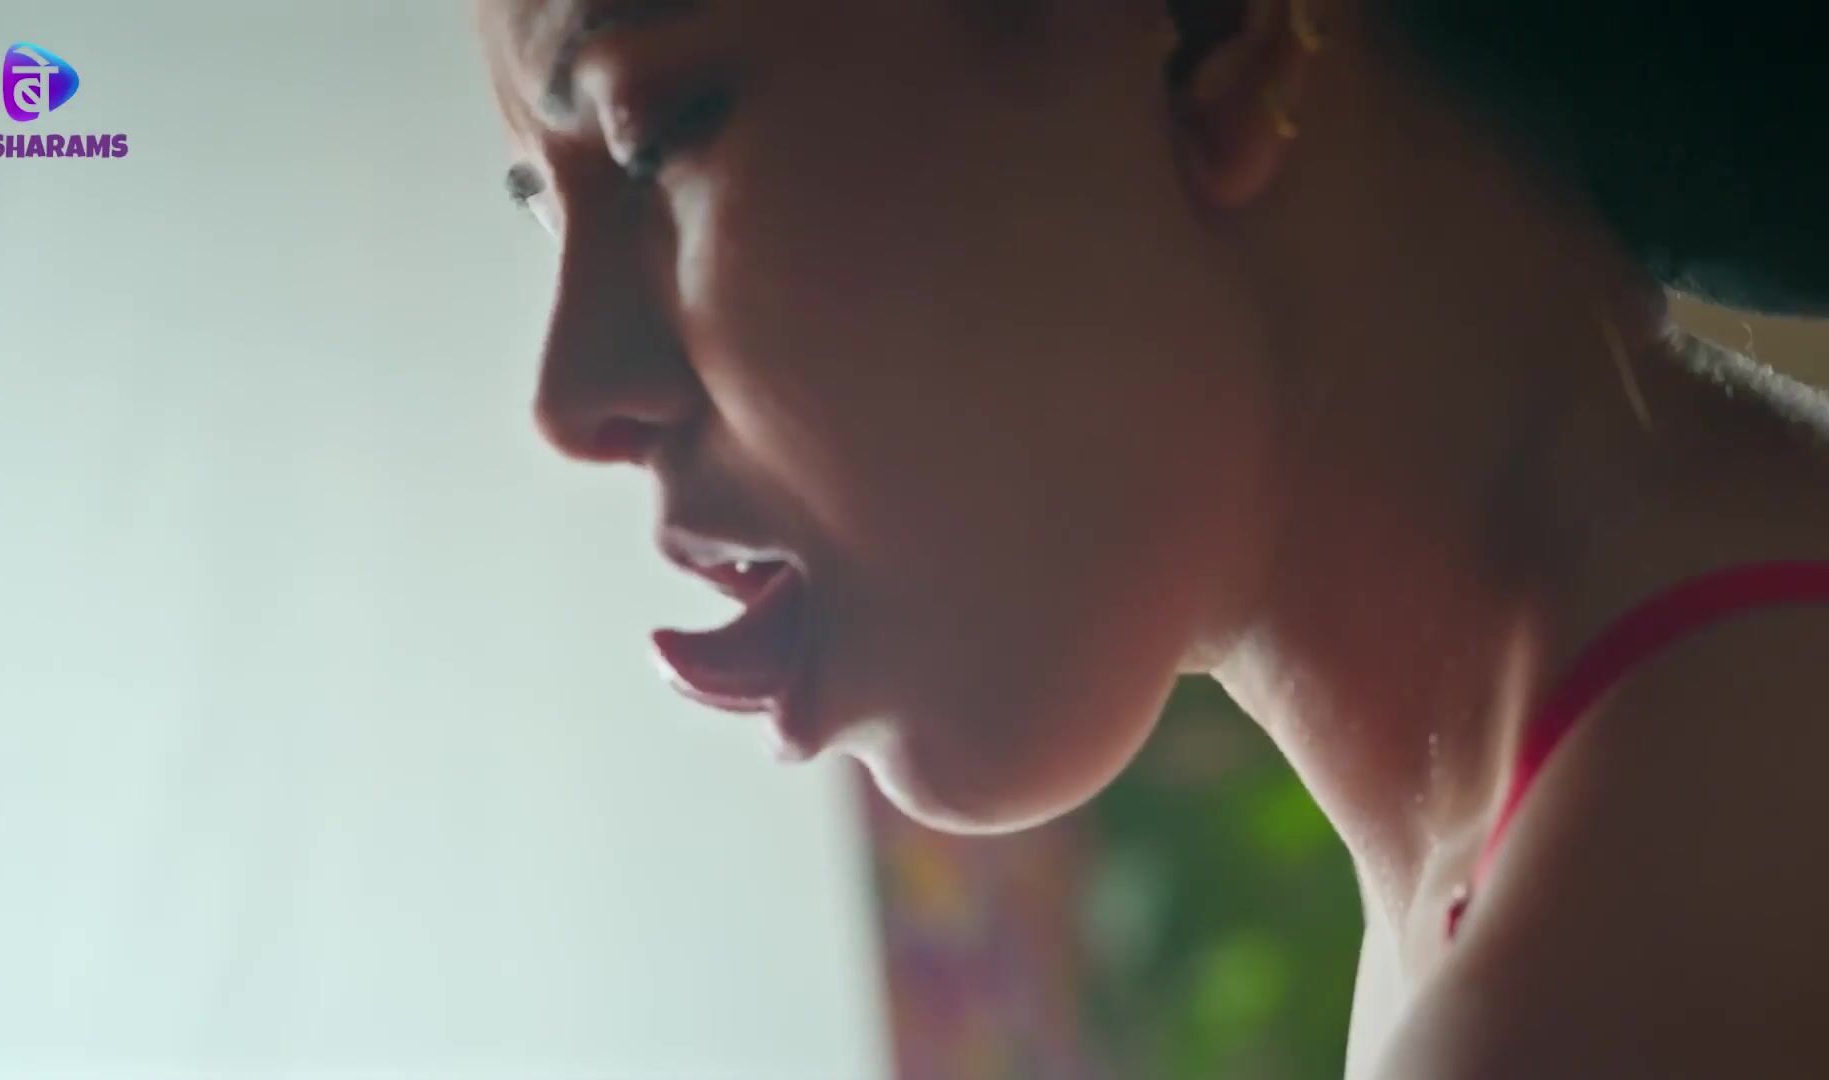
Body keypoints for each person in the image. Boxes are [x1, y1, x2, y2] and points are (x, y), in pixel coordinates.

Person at [476, 0, 1829, 1073]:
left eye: (659, 133)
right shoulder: (1645, 786)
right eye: (548, 212)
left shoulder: (1649, 959)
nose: (570, 398)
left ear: (1209, 36)